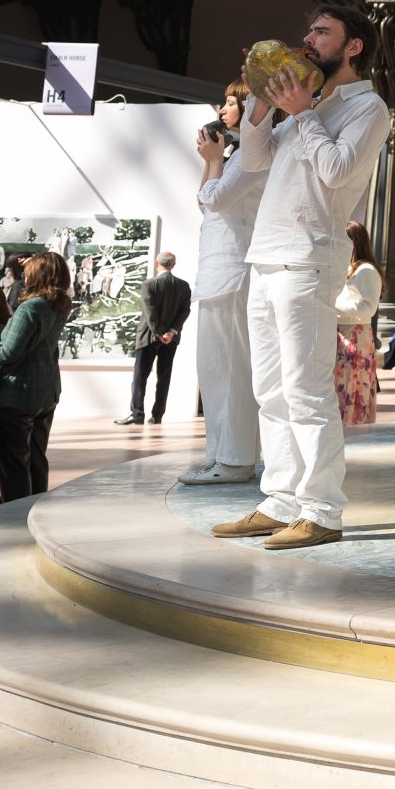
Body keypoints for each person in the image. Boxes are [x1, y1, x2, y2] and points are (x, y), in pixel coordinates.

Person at [210, 5, 392, 552]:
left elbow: (337, 172)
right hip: (266, 255)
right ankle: (281, 500)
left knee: (307, 390)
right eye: (307, 30)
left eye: (321, 32)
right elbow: (257, 159)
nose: (307, 39)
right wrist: (264, 105)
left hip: (309, 258)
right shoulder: (303, 106)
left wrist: (305, 113)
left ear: (353, 46)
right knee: (269, 391)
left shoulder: (368, 108)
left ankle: (323, 510)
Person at [184, 77, 267, 484]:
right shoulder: (235, 156)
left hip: (234, 270)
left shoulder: (253, 154)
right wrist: (210, 161)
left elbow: (215, 199)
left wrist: (214, 162)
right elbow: (205, 203)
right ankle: (221, 454)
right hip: (219, 269)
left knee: (232, 366)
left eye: (233, 101)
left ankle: (234, 460)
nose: (223, 109)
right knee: (214, 366)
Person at [0, 251, 71, 504]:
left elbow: (10, 352)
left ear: (38, 275)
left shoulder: (30, 308)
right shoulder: (60, 304)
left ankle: (15, 515)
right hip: (47, 391)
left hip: (19, 394)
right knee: (35, 456)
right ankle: (34, 510)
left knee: (13, 462)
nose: (25, 275)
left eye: (28, 271)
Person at [118, 252, 190, 427]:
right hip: (170, 340)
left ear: (157, 264)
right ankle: (157, 415)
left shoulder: (149, 284)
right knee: (164, 377)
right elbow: (184, 311)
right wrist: (170, 333)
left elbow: (150, 313)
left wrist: (159, 333)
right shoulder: (183, 286)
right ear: (174, 264)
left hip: (148, 337)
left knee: (140, 377)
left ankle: (137, 414)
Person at [332, 222, 380, 426]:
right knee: (341, 383)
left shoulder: (366, 270)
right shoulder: (345, 267)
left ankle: (354, 427)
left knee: (353, 382)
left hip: (355, 333)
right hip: (341, 333)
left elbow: (368, 307)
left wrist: (333, 305)